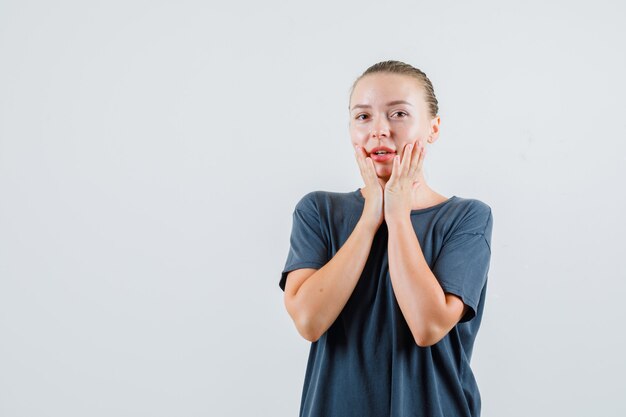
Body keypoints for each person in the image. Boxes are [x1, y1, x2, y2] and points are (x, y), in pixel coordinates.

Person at [279, 60, 494, 417]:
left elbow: (428, 326)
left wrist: (397, 215)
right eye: (363, 116)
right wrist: (369, 219)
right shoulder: (318, 211)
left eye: (398, 114)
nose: (379, 130)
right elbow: (308, 321)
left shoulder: (467, 218)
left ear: (433, 128)